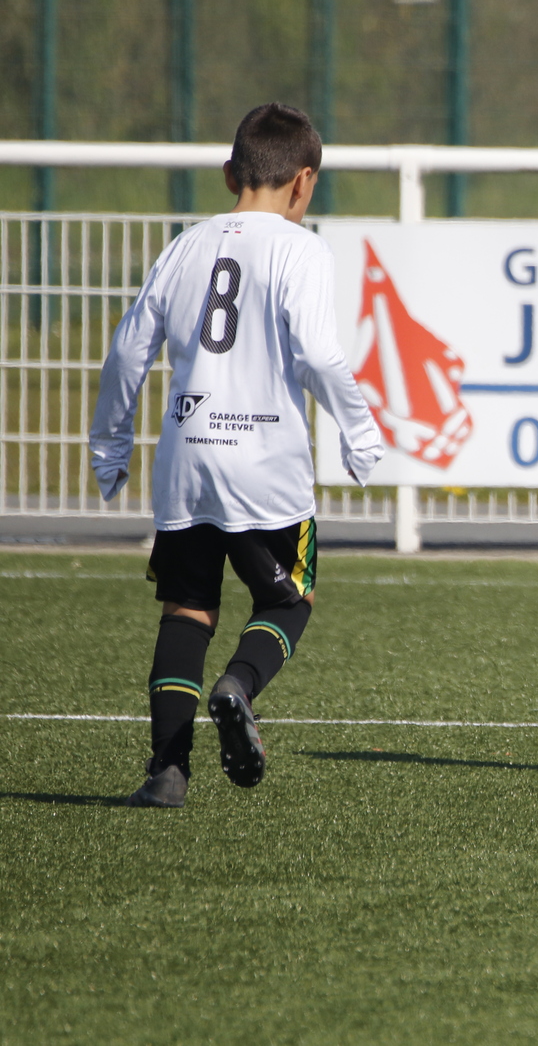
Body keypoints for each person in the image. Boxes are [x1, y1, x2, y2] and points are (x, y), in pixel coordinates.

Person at [89, 103, 384, 808]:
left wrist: (110, 444)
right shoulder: (301, 249)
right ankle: (239, 686)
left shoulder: (184, 246)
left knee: (187, 607)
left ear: (230, 175)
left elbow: (128, 350)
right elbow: (318, 354)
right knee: (289, 597)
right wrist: (360, 433)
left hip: (186, 459)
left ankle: (167, 772)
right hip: (264, 465)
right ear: (304, 181)